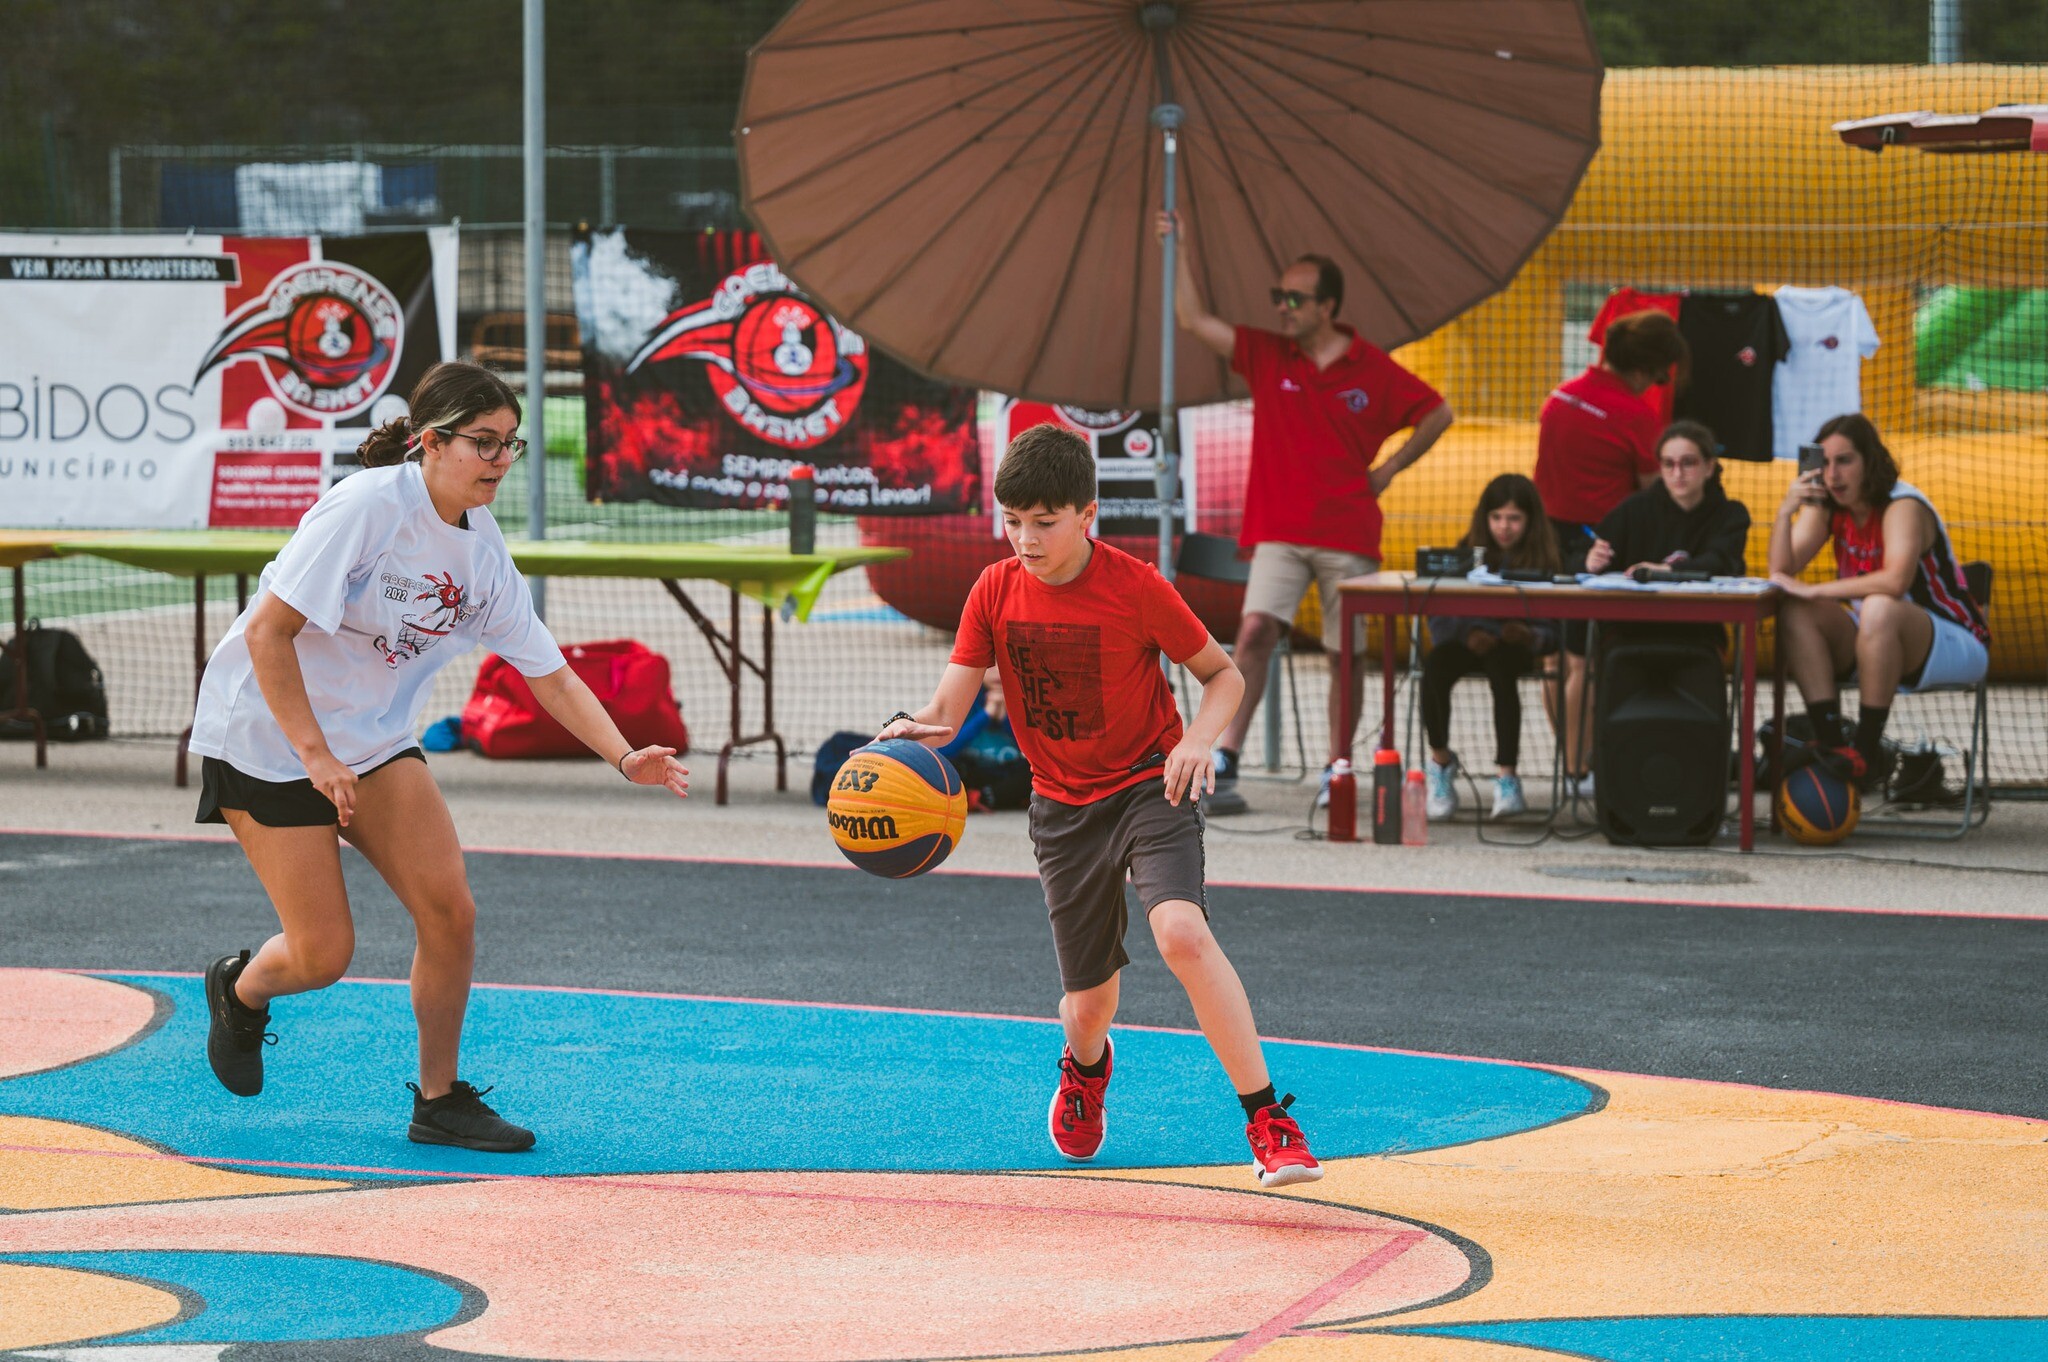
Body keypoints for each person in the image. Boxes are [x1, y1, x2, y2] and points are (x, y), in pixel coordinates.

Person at [188, 361, 689, 1151]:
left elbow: (549, 674)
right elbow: (266, 633)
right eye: (481, 443)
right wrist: (317, 756)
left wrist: (625, 757)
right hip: (268, 739)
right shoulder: (366, 509)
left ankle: (440, 1099)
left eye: (509, 445)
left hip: (375, 743)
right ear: (431, 442)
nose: (498, 460)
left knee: (451, 910)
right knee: (323, 955)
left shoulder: (482, 551)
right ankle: (240, 991)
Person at [879, 423, 1322, 1188]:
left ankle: (1268, 1120)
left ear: (1087, 515)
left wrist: (1199, 744)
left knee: (1181, 933)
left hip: (1152, 783)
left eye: (1043, 522)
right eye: (1012, 521)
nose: (1024, 538)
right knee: (1088, 1007)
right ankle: (1086, 1070)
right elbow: (949, 709)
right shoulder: (992, 589)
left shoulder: (1136, 586)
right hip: (1061, 807)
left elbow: (1225, 677)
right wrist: (917, 732)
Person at [1159, 211, 1455, 813]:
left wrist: (1390, 470)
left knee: (1345, 651)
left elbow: (1438, 413)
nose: (1282, 307)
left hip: (1348, 532)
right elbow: (1193, 321)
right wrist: (1180, 246)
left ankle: (1337, 767)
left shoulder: (1373, 367)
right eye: (1278, 296)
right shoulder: (1268, 354)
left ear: (1328, 306)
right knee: (1254, 631)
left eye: (1294, 298)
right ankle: (1229, 757)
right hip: (1279, 530)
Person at [1766, 412, 1989, 791]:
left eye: (1845, 461)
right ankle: (1833, 744)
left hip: (1953, 639)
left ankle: (1865, 754)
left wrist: (1816, 589)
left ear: (1870, 461)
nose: (1833, 474)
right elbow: (1781, 571)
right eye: (1827, 462)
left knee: (1879, 605)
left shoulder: (1902, 504)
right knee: (1794, 609)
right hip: (1876, 638)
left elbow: (1895, 579)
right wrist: (1787, 512)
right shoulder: (1829, 509)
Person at [1533, 309, 1690, 791]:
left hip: (1545, 544)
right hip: (1596, 547)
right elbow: (1653, 496)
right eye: (1658, 376)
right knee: (1584, 661)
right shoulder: (1635, 416)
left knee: (1556, 660)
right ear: (1643, 370)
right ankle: (1583, 770)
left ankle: (1574, 759)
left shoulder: (1559, 398)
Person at [1421, 475, 1561, 821]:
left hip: (1515, 646)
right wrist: (1466, 634)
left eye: (1513, 519)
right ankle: (1440, 762)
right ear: (1485, 518)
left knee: (1501, 668)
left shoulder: (1547, 556)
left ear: (1530, 521)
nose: (1504, 527)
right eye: (1497, 517)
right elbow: (1439, 612)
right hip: (1467, 640)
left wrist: (1530, 635)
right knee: (1436, 664)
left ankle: (1507, 777)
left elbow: (1559, 624)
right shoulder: (1466, 548)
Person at [1585, 419, 1753, 650]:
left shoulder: (1731, 514)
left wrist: (1665, 572)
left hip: (1698, 633)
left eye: (1688, 463)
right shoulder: (1635, 509)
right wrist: (1591, 560)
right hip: (1632, 631)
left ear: (1709, 467)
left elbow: (1719, 562)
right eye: (1668, 464)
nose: (1678, 473)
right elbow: (1584, 551)